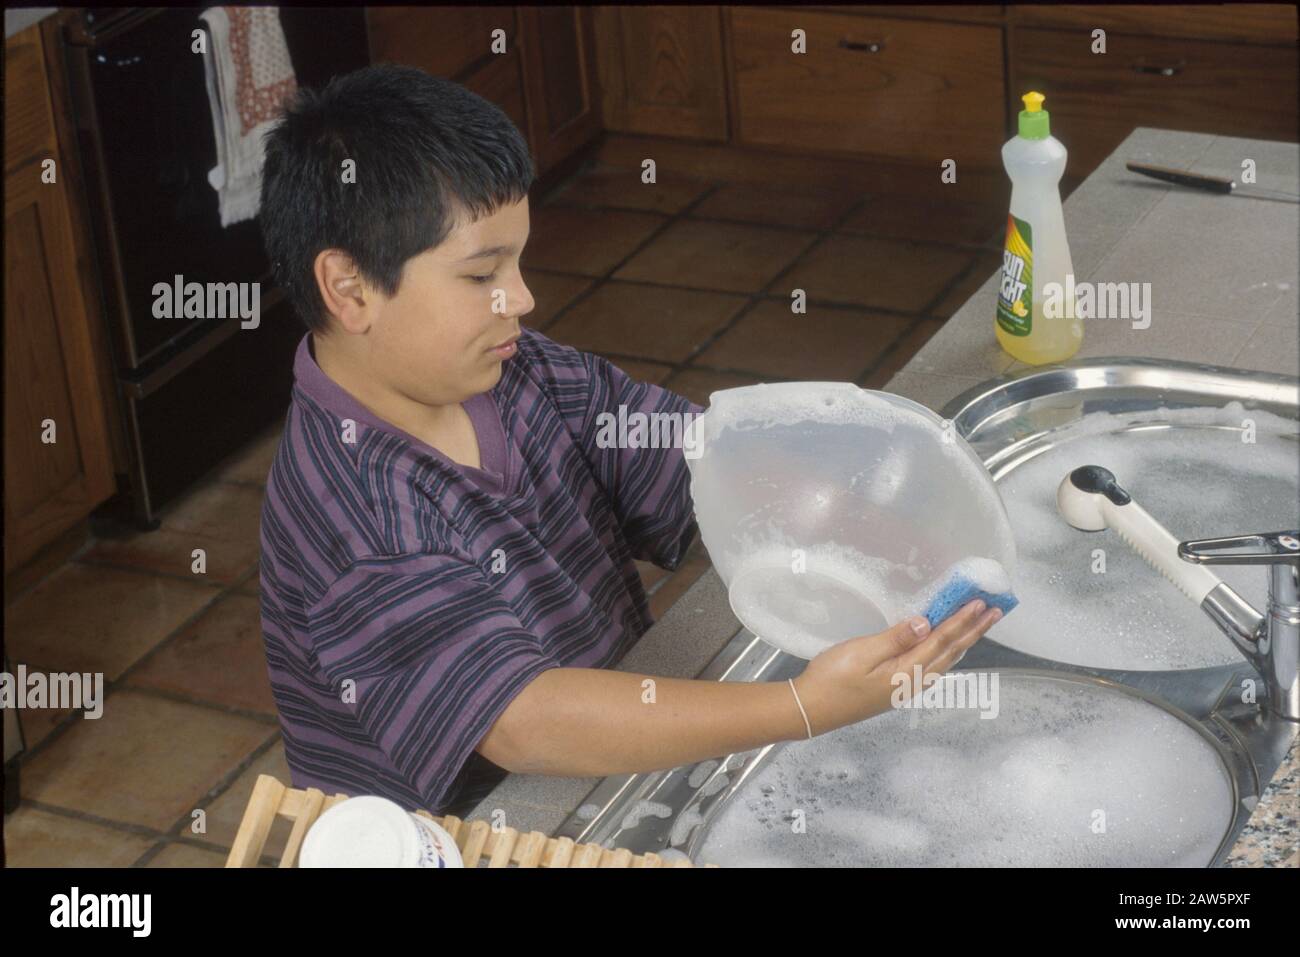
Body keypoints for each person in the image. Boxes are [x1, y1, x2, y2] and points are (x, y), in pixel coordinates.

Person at [256, 64, 1003, 820]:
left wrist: (915, 553)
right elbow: (525, 720)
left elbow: (708, 469)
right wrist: (805, 707)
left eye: (516, 261)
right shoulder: (350, 513)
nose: (521, 297)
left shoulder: (520, 371)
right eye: (482, 272)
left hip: (607, 771)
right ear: (349, 290)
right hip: (487, 833)